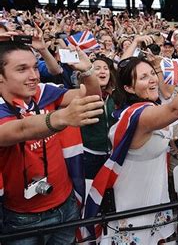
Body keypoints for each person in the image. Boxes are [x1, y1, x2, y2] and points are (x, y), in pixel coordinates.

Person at [83, 51, 178, 244]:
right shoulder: (138, 115)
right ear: (128, 88)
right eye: (143, 77)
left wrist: (174, 143)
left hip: (157, 202)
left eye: (152, 74)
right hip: (132, 207)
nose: (152, 80)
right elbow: (175, 109)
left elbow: (167, 120)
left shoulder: (151, 107)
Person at [0, 40, 103, 244]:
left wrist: (88, 72)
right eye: (22, 69)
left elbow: (91, 98)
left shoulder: (44, 92)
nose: (34, 75)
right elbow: (19, 130)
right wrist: (60, 117)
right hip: (21, 218)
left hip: (66, 205)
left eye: (34, 66)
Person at [80, 55, 117, 182]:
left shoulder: (117, 96)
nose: (102, 71)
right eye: (97, 68)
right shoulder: (80, 94)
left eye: (106, 68)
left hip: (114, 154)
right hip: (90, 155)